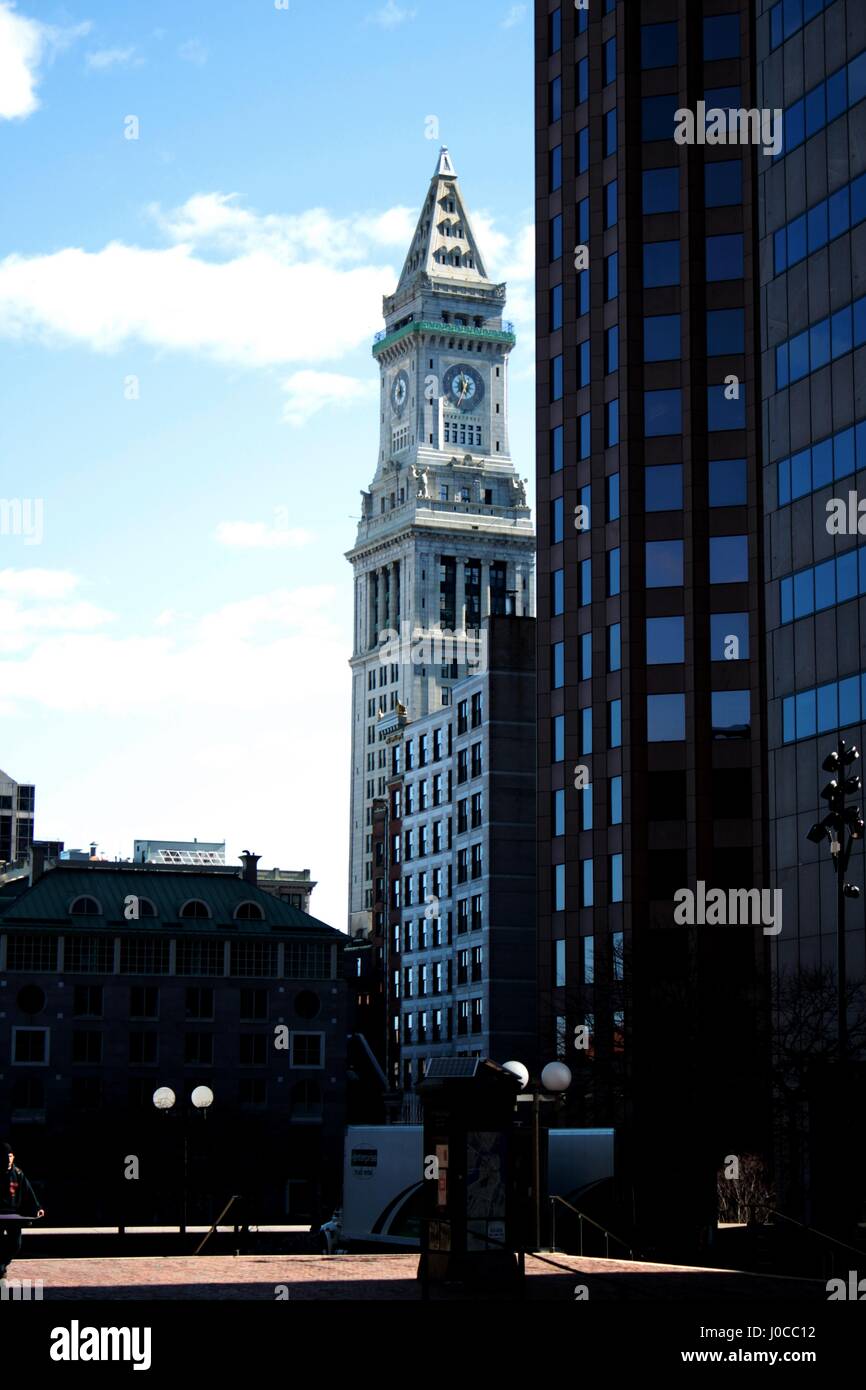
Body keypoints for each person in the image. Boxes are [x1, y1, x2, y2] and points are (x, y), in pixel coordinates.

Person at [0, 1142, 44, 1279]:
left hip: (13, 1214)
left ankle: (1, 1266)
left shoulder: (18, 1173)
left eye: (10, 1156)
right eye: (5, 1156)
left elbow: (28, 1192)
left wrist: (37, 1208)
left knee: (16, 1243)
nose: (8, 1159)